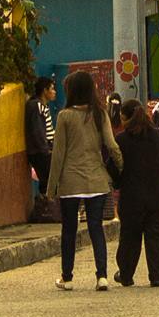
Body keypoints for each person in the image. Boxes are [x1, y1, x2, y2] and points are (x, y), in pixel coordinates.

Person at [46, 69, 122, 291]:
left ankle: (67, 277)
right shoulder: (100, 114)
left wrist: (51, 188)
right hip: (96, 180)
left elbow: (58, 154)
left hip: (70, 183)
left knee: (68, 230)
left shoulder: (65, 116)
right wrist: (122, 168)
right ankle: (102, 276)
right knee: (96, 227)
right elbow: (112, 145)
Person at [112, 100, 159, 288]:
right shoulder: (158, 136)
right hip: (158, 195)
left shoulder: (122, 140)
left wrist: (118, 182)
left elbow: (113, 166)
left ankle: (126, 274)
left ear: (126, 118)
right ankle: (158, 276)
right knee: (156, 235)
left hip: (132, 197)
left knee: (130, 237)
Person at [25, 76, 56, 216]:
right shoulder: (36, 106)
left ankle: (48, 208)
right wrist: (45, 150)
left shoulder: (43, 106)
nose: (54, 92)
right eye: (52, 89)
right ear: (44, 91)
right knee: (49, 178)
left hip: (46, 148)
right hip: (40, 151)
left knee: (48, 179)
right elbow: (37, 131)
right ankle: (48, 209)